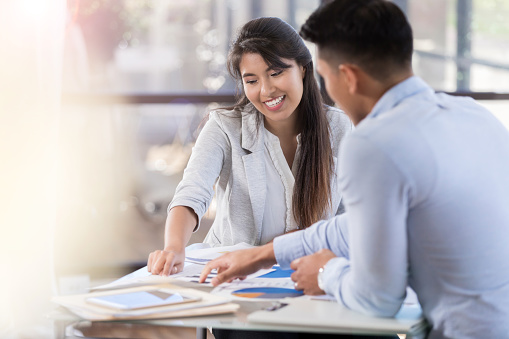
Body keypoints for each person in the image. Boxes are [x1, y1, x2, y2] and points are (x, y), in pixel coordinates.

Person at [199, 1, 509, 338]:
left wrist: (326, 273)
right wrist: (267, 254)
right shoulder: (474, 116)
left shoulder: (375, 143)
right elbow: (363, 223)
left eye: (325, 77)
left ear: (348, 77)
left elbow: (378, 299)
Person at [147, 17, 352, 277]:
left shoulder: (339, 128)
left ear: (302, 68)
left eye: (276, 73)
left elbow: (349, 220)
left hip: (308, 276)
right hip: (231, 276)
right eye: (252, 80)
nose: (266, 90)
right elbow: (192, 192)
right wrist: (174, 247)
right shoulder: (224, 127)